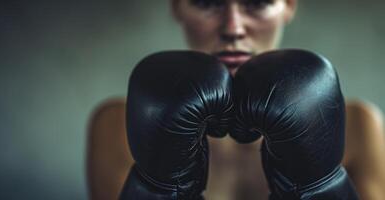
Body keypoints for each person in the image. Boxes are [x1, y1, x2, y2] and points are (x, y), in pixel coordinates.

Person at [86, 0, 385, 199]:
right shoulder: (116, 124)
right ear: (178, 6)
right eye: (206, 2)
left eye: (256, 3)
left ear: (288, 5)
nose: (233, 28)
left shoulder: (360, 125)